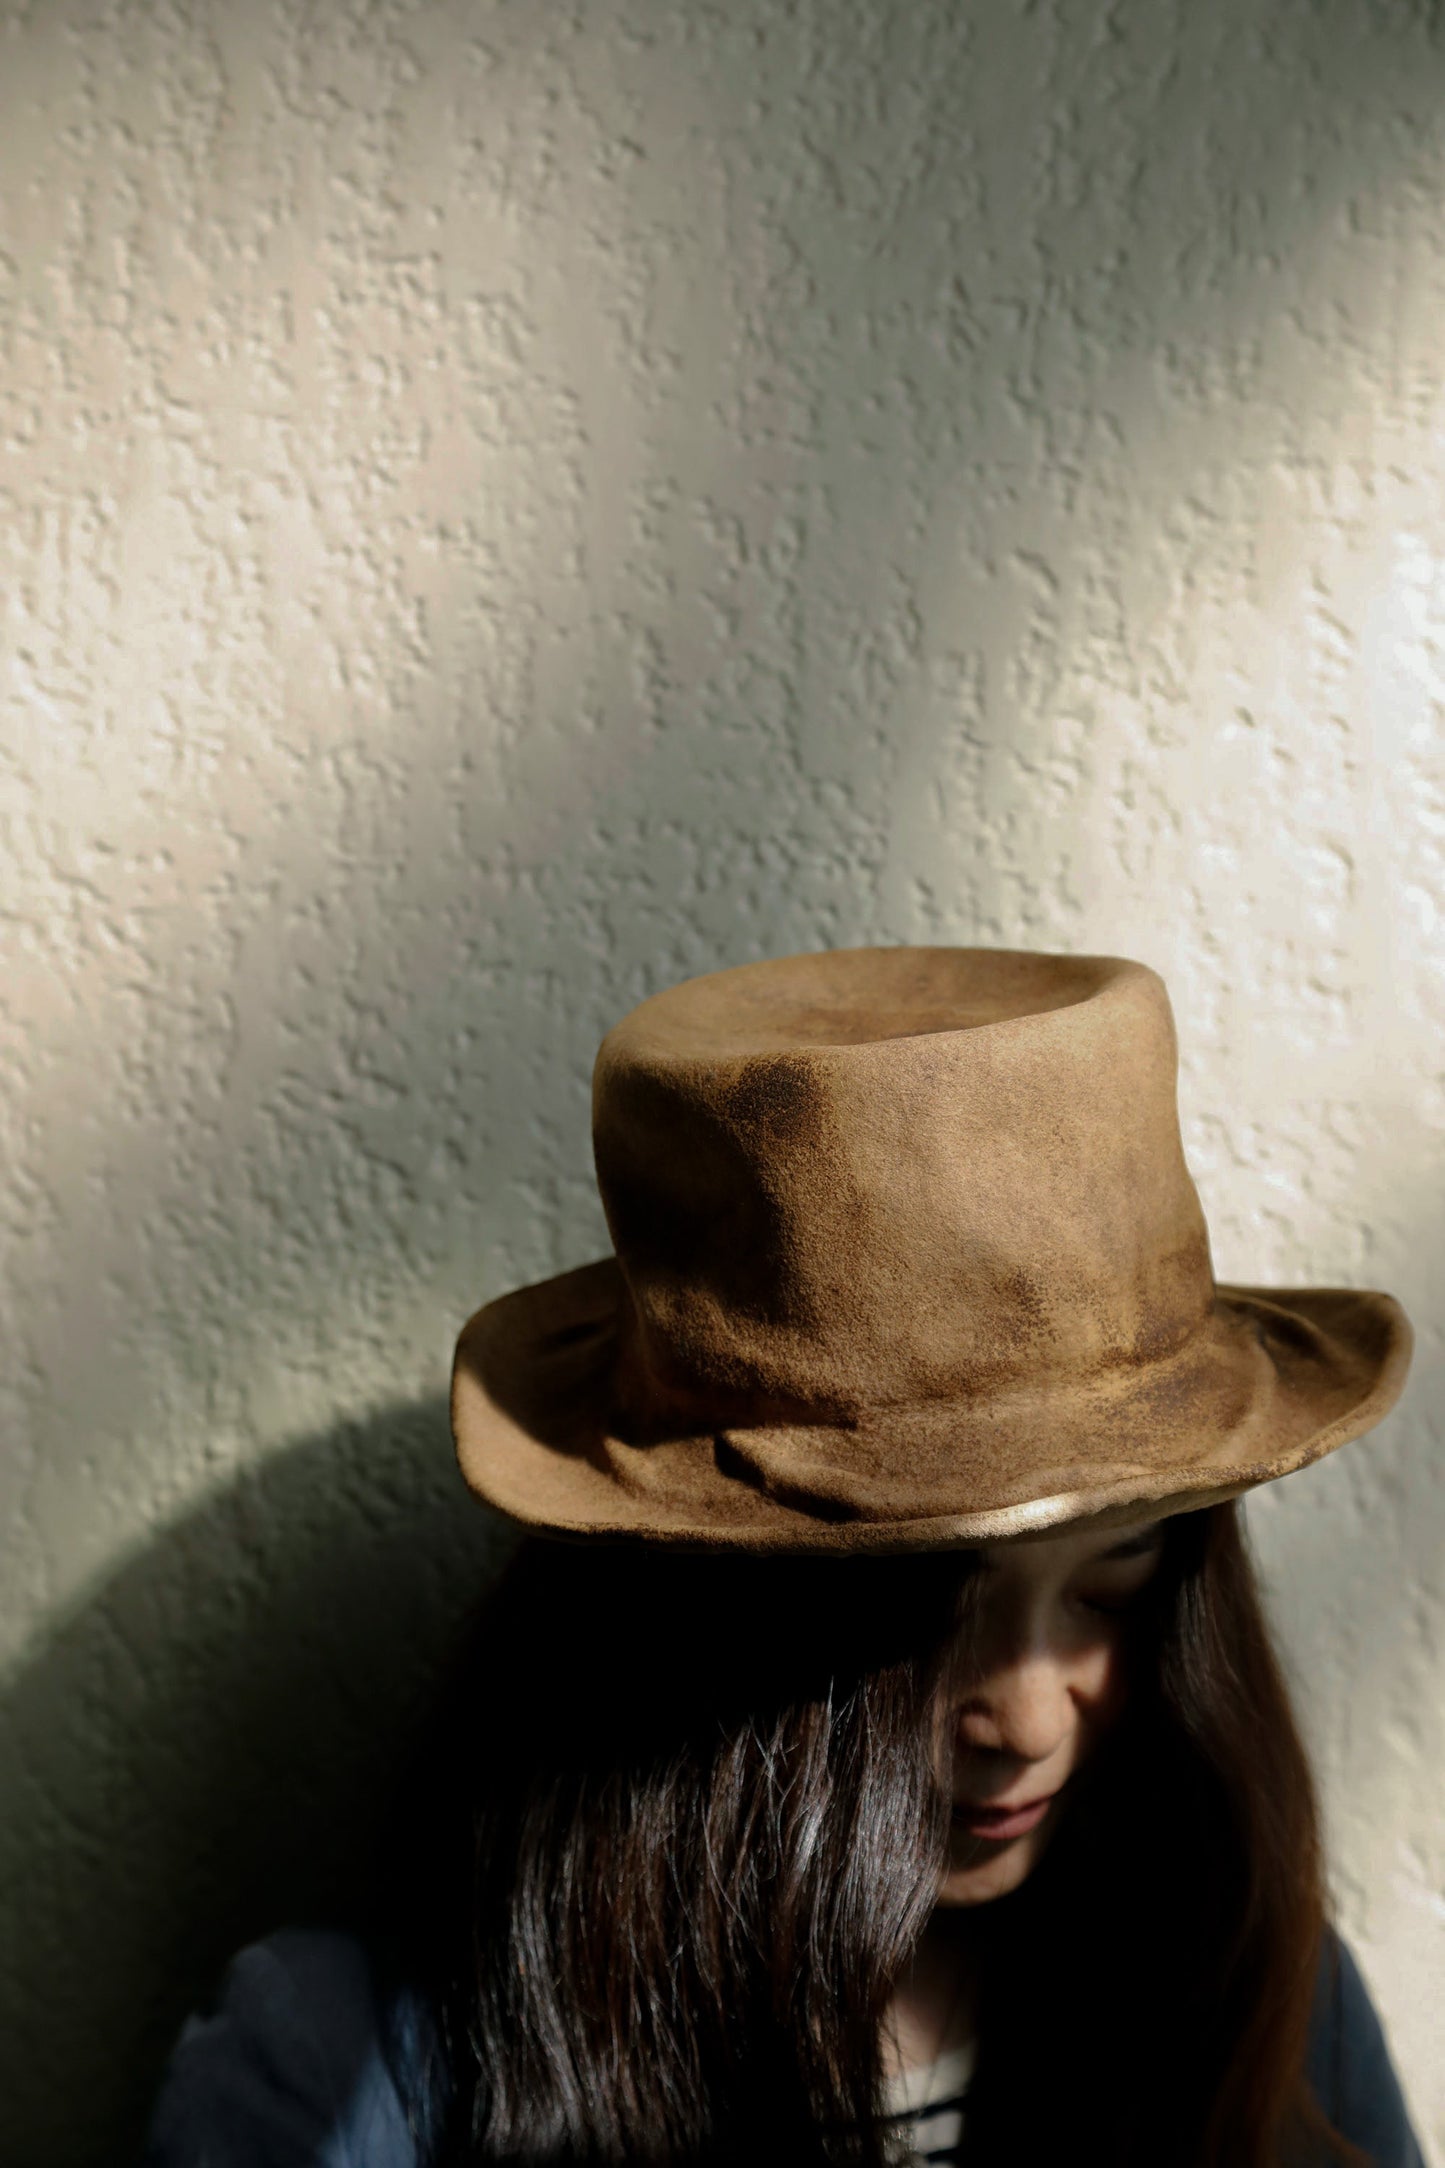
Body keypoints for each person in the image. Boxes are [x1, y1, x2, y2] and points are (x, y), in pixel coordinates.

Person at [144, 947, 1427, 2166]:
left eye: (1115, 1575)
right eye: (936, 1612)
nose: (1029, 1713)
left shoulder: (1258, 1998)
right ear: (700, 1608)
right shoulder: (349, 2074)